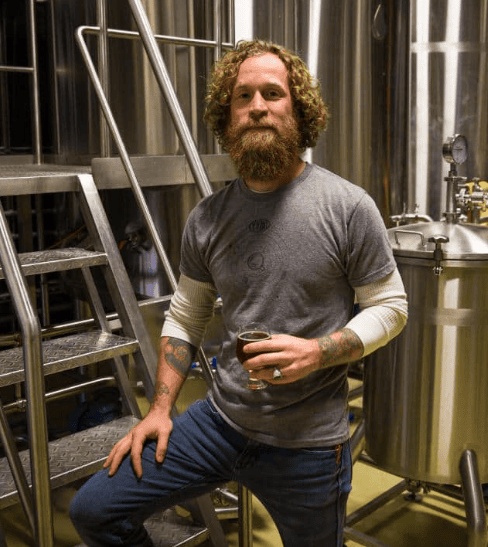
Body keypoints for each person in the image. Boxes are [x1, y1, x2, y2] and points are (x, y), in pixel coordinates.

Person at [69, 39, 408, 546]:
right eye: (242, 97)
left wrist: (318, 352)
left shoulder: (347, 206)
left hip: (309, 444)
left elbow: (390, 306)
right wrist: (160, 409)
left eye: (273, 93)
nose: (257, 107)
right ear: (226, 117)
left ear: (300, 111)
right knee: (94, 511)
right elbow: (185, 317)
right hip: (220, 422)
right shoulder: (207, 217)